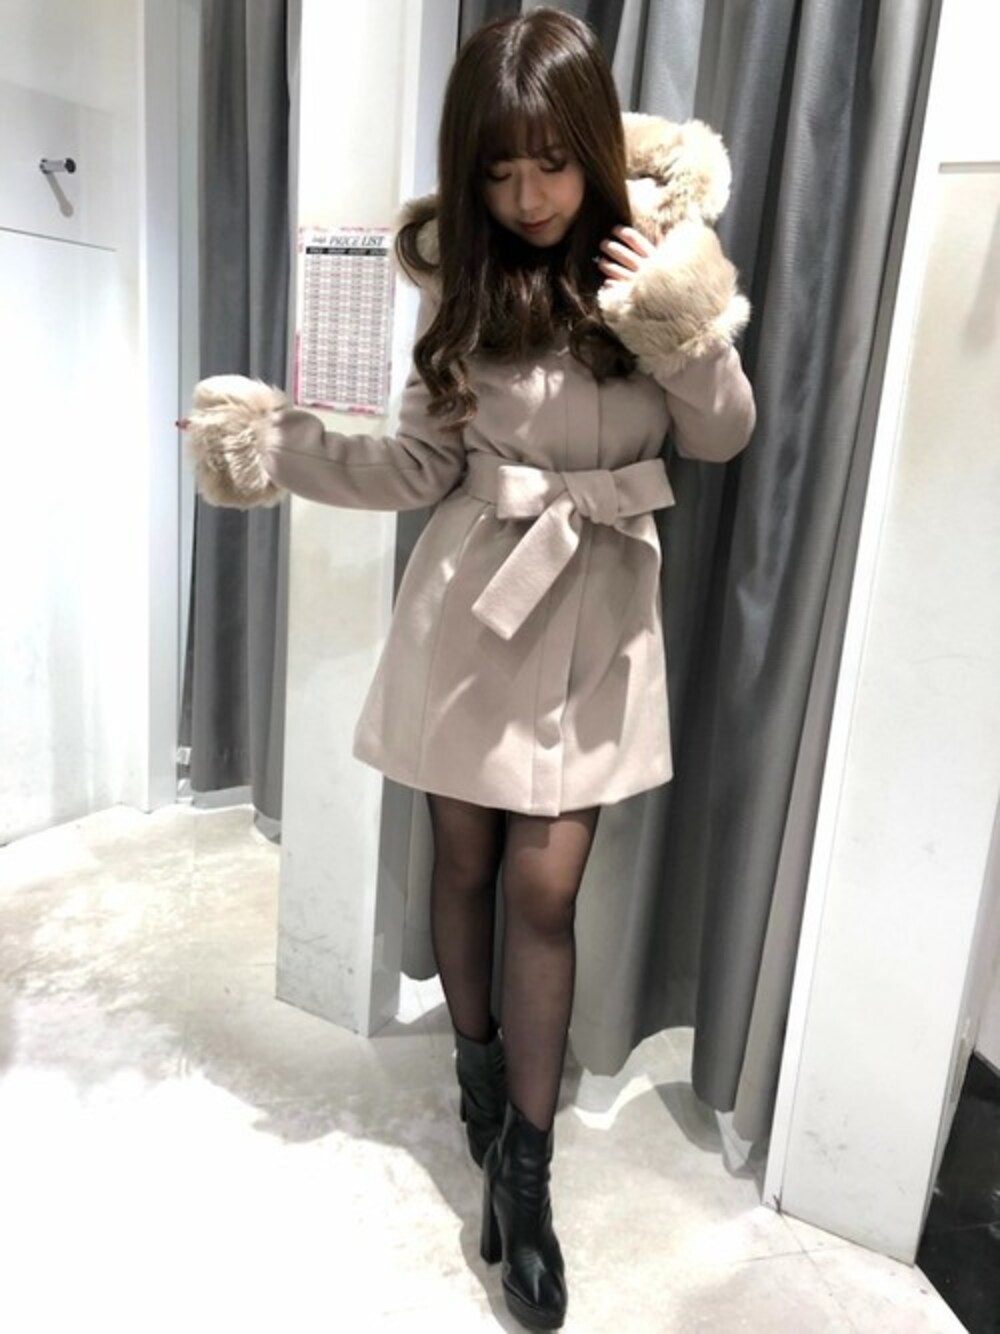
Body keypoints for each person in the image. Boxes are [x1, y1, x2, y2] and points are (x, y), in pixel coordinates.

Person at [182, 9, 755, 1329]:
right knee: (463, 864)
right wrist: (277, 443)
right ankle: (482, 1089)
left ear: (593, 148)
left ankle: (527, 1183)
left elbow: (724, 435)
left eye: (550, 163)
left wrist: (675, 318)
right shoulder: (464, 284)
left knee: (545, 887)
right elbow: (415, 465)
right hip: (472, 607)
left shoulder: (660, 253)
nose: (528, 196)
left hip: (598, 607)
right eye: (499, 171)